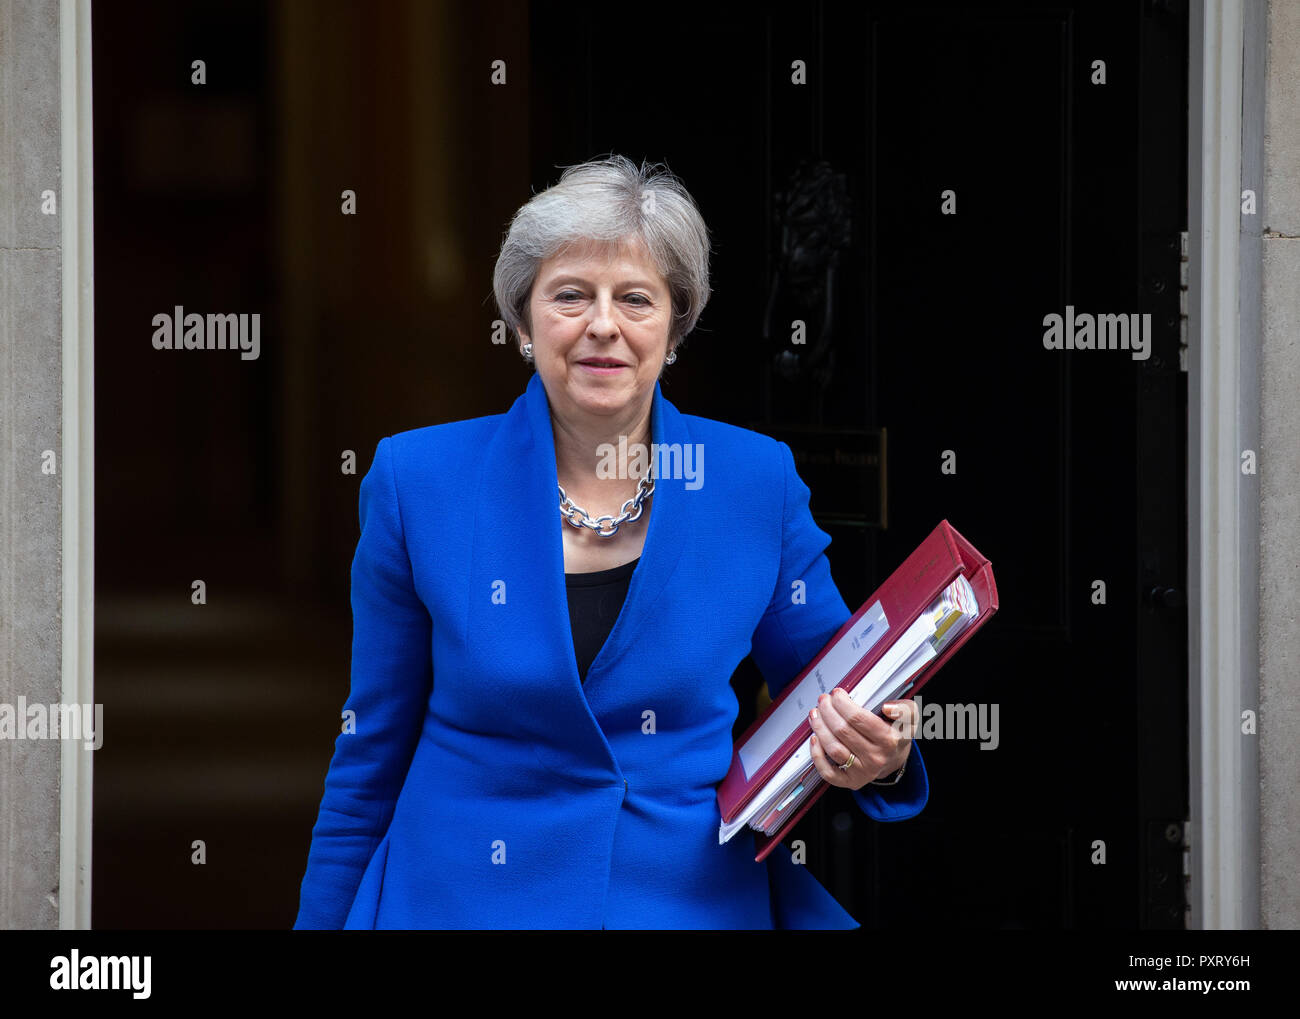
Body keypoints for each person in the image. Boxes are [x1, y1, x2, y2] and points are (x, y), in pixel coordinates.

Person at [292, 154, 927, 930]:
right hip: (461, 901)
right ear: (523, 323)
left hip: (683, 902)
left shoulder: (754, 483)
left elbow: (840, 686)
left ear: (675, 325)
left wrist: (881, 748)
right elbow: (370, 754)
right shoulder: (415, 482)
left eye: (635, 297)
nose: (603, 324)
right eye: (570, 295)